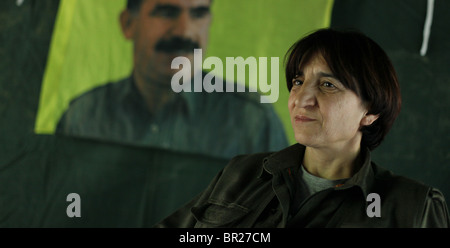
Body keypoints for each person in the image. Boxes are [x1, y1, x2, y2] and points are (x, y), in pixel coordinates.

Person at [154, 28, 449, 228]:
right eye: (298, 81)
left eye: (328, 85)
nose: (301, 99)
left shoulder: (412, 208)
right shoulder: (242, 174)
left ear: (370, 112)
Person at [55, 0, 289, 159]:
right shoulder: (83, 118)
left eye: (198, 14)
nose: (184, 31)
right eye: (166, 12)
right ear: (128, 24)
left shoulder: (252, 122)